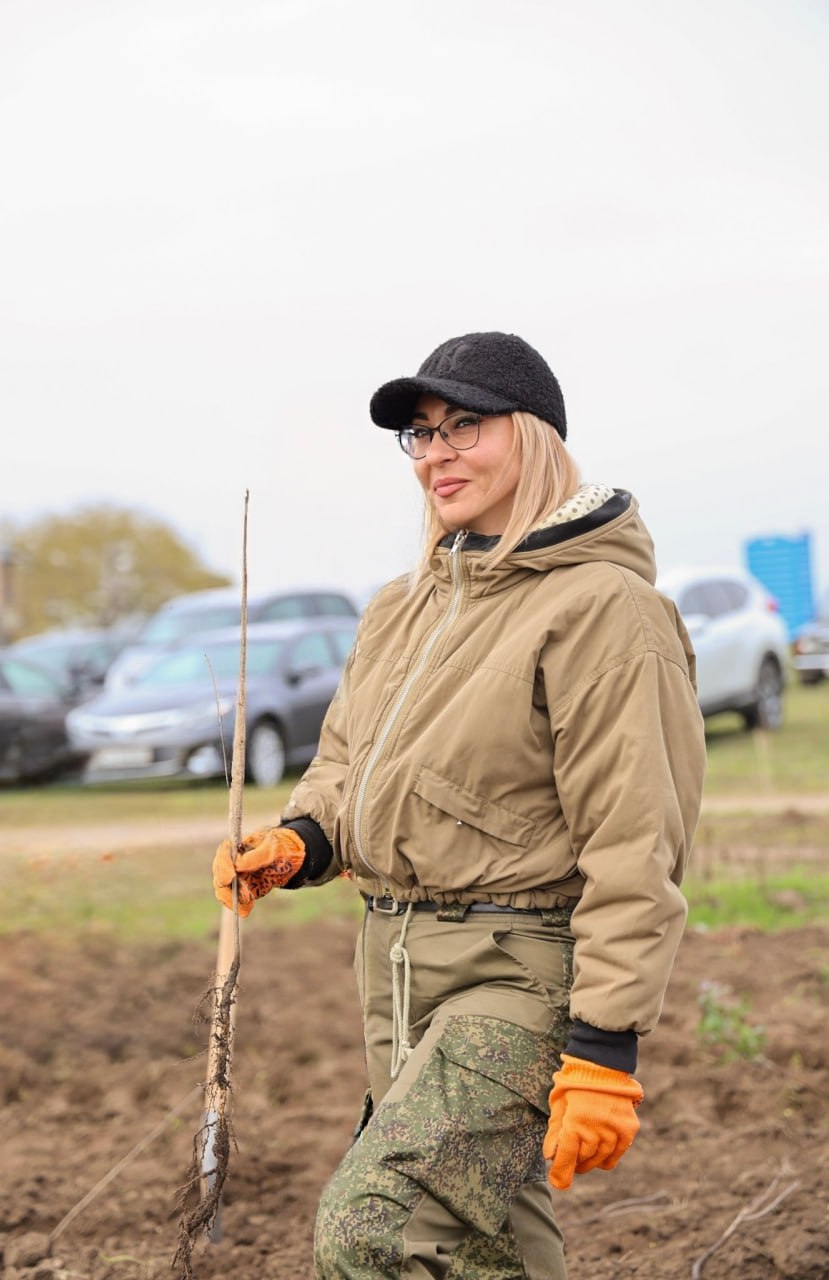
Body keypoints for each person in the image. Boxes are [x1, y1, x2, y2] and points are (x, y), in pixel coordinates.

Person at [212, 331, 706, 1279]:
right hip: (396, 973)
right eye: (421, 434)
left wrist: (603, 1046)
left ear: (535, 437)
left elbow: (635, 837)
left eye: (464, 426)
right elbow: (348, 761)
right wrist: (302, 841)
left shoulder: (603, 607)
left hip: (519, 975)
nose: (435, 454)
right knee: (483, 1251)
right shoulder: (400, 605)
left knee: (373, 1230)